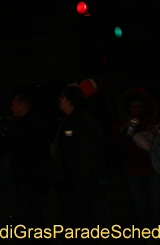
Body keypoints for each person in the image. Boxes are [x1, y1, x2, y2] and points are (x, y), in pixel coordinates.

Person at [51, 85, 107, 228]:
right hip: (71, 183)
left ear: (70, 100)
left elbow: (85, 155)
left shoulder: (82, 122)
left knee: (83, 220)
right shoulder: (68, 120)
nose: (59, 99)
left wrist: (81, 183)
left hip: (80, 185)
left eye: (62, 97)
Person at [111, 87, 160, 227]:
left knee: (156, 206)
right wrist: (123, 128)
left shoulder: (152, 121)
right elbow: (114, 143)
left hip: (153, 169)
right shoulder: (124, 123)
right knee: (140, 208)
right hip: (133, 171)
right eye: (134, 107)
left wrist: (157, 133)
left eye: (140, 107)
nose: (137, 111)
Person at [7, 94, 50, 227]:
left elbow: (25, 153)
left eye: (13, 105)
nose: (11, 108)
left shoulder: (26, 126)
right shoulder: (34, 123)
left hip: (29, 178)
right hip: (33, 178)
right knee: (33, 212)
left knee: (30, 213)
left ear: (21, 106)